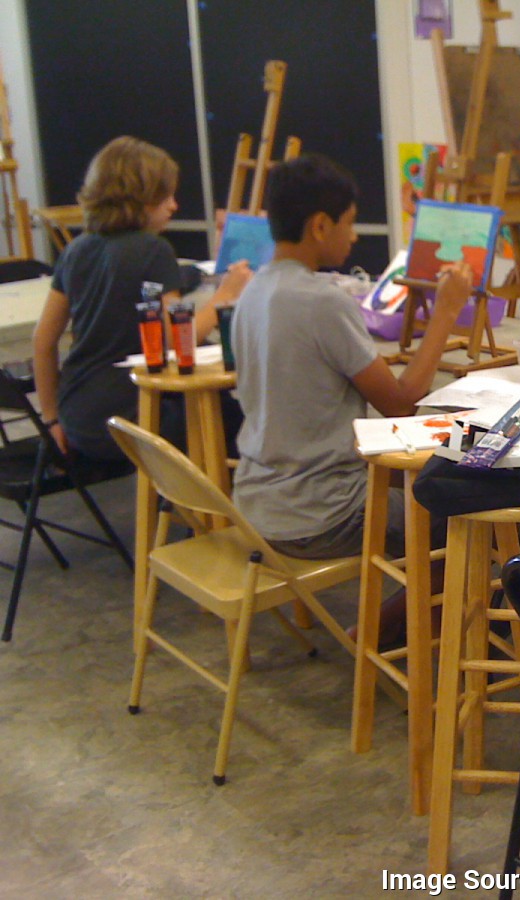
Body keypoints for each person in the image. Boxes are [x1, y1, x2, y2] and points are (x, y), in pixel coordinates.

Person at [232, 154, 471, 643]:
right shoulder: (322, 301)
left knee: (433, 480)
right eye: (349, 222)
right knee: (469, 519)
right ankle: (380, 634)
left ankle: (430, 620)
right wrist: (446, 312)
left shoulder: (252, 291)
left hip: (257, 499)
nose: (355, 236)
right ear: (320, 226)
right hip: (322, 513)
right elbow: (402, 402)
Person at [33, 136, 252, 461]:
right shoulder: (153, 250)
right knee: (235, 418)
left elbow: (42, 341)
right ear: (139, 198)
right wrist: (227, 293)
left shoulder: (75, 250)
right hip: (134, 414)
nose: (174, 206)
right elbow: (178, 340)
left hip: (78, 415)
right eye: (165, 196)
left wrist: (51, 418)